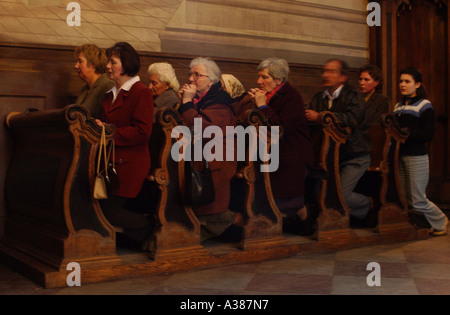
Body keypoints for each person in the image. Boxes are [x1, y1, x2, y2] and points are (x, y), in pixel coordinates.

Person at [178, 57, 243, 242]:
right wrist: (183, 102)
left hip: (216, 162)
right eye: (190, 74)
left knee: (211, 213)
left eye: (197, 75)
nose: (191, 78)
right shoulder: (201, 99)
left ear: (211, 81)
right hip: (198, 157)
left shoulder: (220, 102)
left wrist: (186, 104)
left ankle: (237, 221)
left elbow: (205, 129)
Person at [97, 42, 154, 246]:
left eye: (113, 62)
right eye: (109, 62)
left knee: (108, 211)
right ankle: (136, 237)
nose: (108, 66)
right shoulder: (111, 93)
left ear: (126, 64)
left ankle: (149, 225)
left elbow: (142, 131)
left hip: (130, 164)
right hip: (110, 162)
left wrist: (108, 131)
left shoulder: (141, 92)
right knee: (96, 206)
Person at [248, 57, 314, 234]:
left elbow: (280, 128)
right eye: (259, 77)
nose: (259, 81)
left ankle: (303, 216)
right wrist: (252, 103)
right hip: (270, 153)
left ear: (279, 79)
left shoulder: (291, 96)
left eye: (264, 77)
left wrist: (262, 106)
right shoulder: (268, 95)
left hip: (291, 155)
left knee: (282, 200)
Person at [306, 59, 372, 225]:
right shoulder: (319, 97)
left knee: (341, 195)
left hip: (353, 155)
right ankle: (338, 218)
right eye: (324, 71)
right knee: (317, 194)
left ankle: (369, 204)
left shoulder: (354, 96)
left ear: (343, 77)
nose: (326, 75)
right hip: (327, 157)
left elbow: (352, 119)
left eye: (331, 71)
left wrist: (321, 116)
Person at [393, 67, 448, 236]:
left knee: (417, 199)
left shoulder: (425, 105)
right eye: (401, 81)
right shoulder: (398, 106)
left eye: (407, 81)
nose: (402, 84)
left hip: (416, 156)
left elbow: (428, 134)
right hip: (399, 156)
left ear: (417, 84)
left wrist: (407, 133)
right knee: (404, 197)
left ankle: (441, 222)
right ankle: (422, 225)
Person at [74, 43, 114, 118]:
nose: (76, 66)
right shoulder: (85, 89)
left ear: (93, 63)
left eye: (80, 61)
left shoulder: (107, 85)